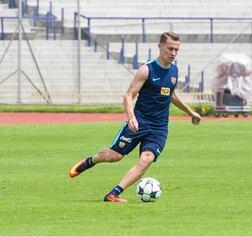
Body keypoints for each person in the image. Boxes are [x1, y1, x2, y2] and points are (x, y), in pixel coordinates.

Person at [69, 31, 201, 203]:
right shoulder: (146, 70)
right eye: (170, 49)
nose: (173, 53)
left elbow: (171, 95)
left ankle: (113, 194)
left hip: (159, 127)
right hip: (139, 122)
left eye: (176, 50)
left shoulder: (174, 71)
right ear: (160, 46)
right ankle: (89, 161)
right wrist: (131, 117)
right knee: (114, 156)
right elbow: (129, 95)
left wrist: (190, 112)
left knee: (147, 159)